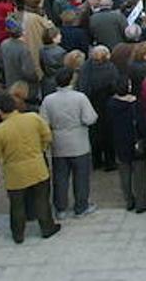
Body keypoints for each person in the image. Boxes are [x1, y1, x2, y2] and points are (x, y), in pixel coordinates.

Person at [0, 92, 63, 242]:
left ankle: (18, 234)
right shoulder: (33, 118)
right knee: (42, 200)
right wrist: (39, 149)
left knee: (17, 205)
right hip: (37, 167)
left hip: (15, 172)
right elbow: (47, 136)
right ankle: (47, 227)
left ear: (0, 111)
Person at [38, 67, 97, 217]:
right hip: (79, 141)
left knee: (60, 177)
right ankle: (81, 206)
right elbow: (89, 118)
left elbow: (43, 122)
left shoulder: (48, 100)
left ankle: (60, 208)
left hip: (59, 142)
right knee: (81, 176)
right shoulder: (80, 97)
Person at [106, 78, 146, 215]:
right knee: (139, 174)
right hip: (135, 142)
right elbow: (143, 125)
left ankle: (129, 201)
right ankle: (141, 202)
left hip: (119, 141)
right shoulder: (135, 105)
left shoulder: (110, 104)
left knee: (124, 173)